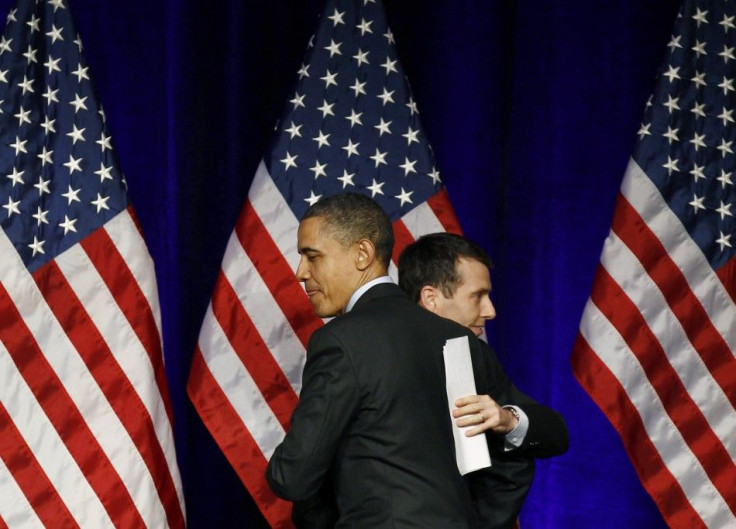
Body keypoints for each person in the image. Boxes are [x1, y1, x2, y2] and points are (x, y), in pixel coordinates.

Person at [266, 193, 495, 528]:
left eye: (311, 256)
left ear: (362, 254)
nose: (301, 272)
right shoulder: (456, 336)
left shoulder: (341, 340)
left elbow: (293, 475)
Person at [398, 232, 569, 529]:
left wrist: (508, 420)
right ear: (431, 298)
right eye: (477, 296)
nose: (490, 311)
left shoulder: (473, 356)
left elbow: (554, 434)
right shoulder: (377, 358)